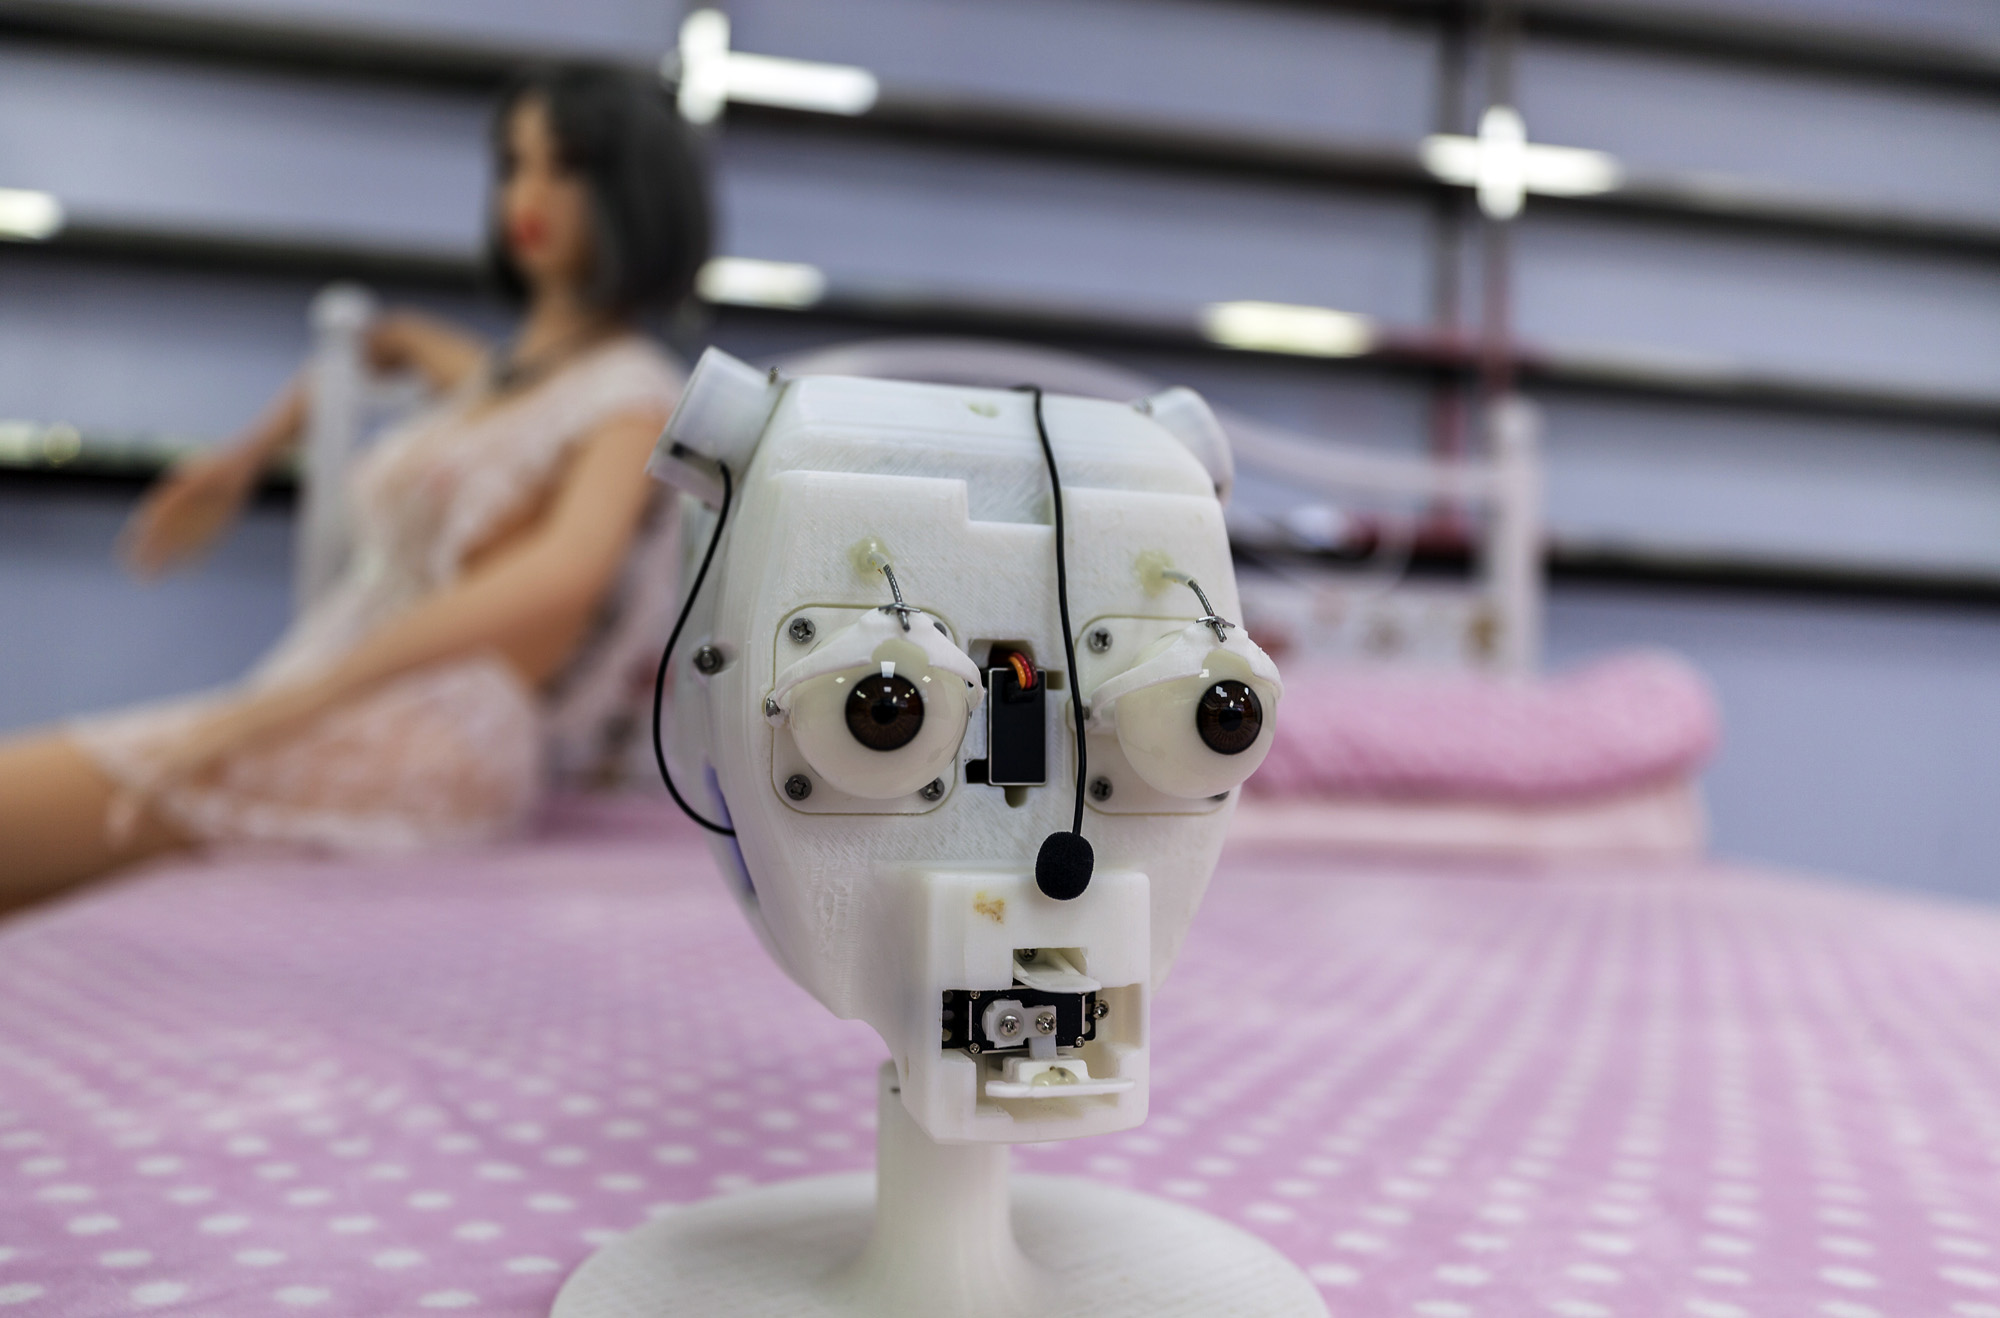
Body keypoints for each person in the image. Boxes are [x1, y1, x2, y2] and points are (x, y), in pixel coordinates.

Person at [0, 66, 712, 913]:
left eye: (568, 166)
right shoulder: (509, 384)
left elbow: (565, 572)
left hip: (429, 730)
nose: (529, 194)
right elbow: (384, 342)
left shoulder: (631, 398)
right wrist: (244, 458)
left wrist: (292, 704)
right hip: (349, 700)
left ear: (633, 190)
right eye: (514, 164)